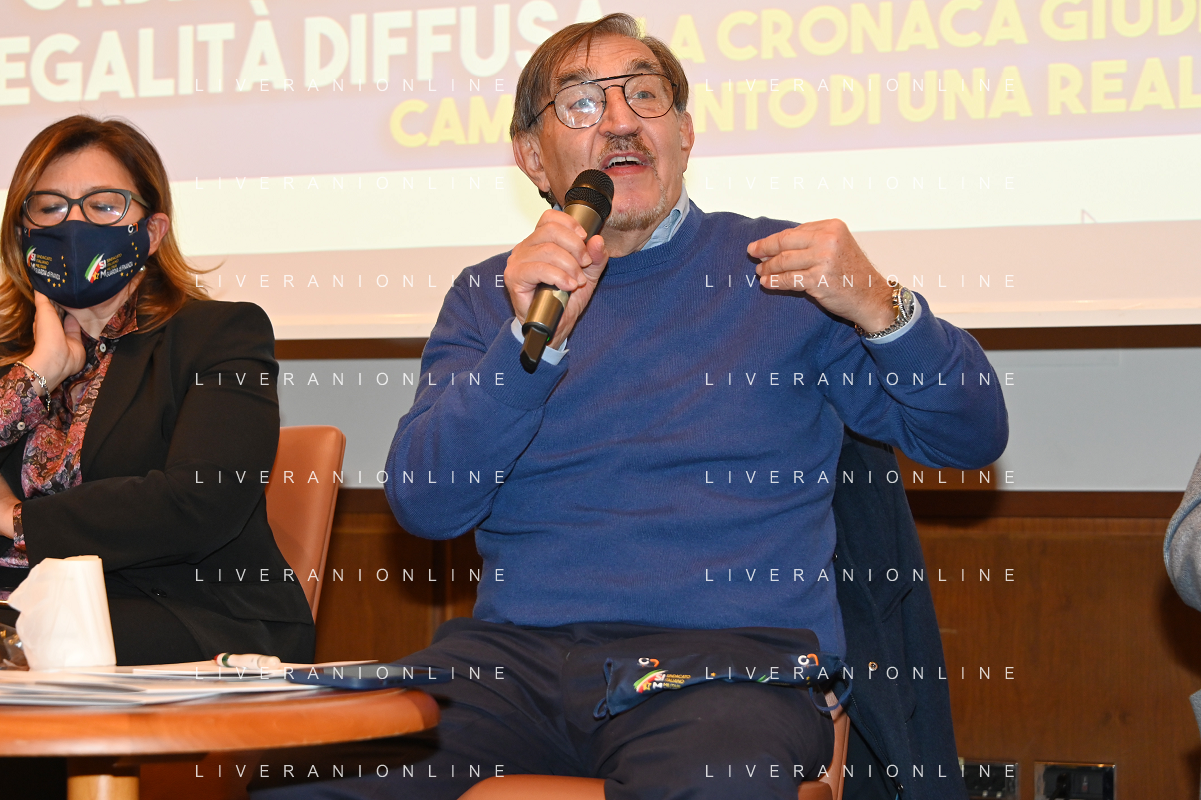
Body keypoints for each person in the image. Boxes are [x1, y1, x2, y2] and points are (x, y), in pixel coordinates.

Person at [253, 13, 1007, 800]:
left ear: (683, 133)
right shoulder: (490, 295)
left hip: (724, 669)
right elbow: (427, 504)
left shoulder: (784, 274)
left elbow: (970, 435)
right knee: (298, 769)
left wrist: (881, 305)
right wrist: (527, 344)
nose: (620, 120)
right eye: (582, 102)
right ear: (532, 157)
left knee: (709, 783)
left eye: (645, 95)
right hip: (512, 666)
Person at [0, 115, 314, 666]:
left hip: (183, 610)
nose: (74, 223)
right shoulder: (14, 358)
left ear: (151, 232)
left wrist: (18, 520)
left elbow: (199, 502)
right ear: (23, 232)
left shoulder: (219, 335)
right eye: (50, 207)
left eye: (103, 206)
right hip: (21, 610)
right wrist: (38, 374)